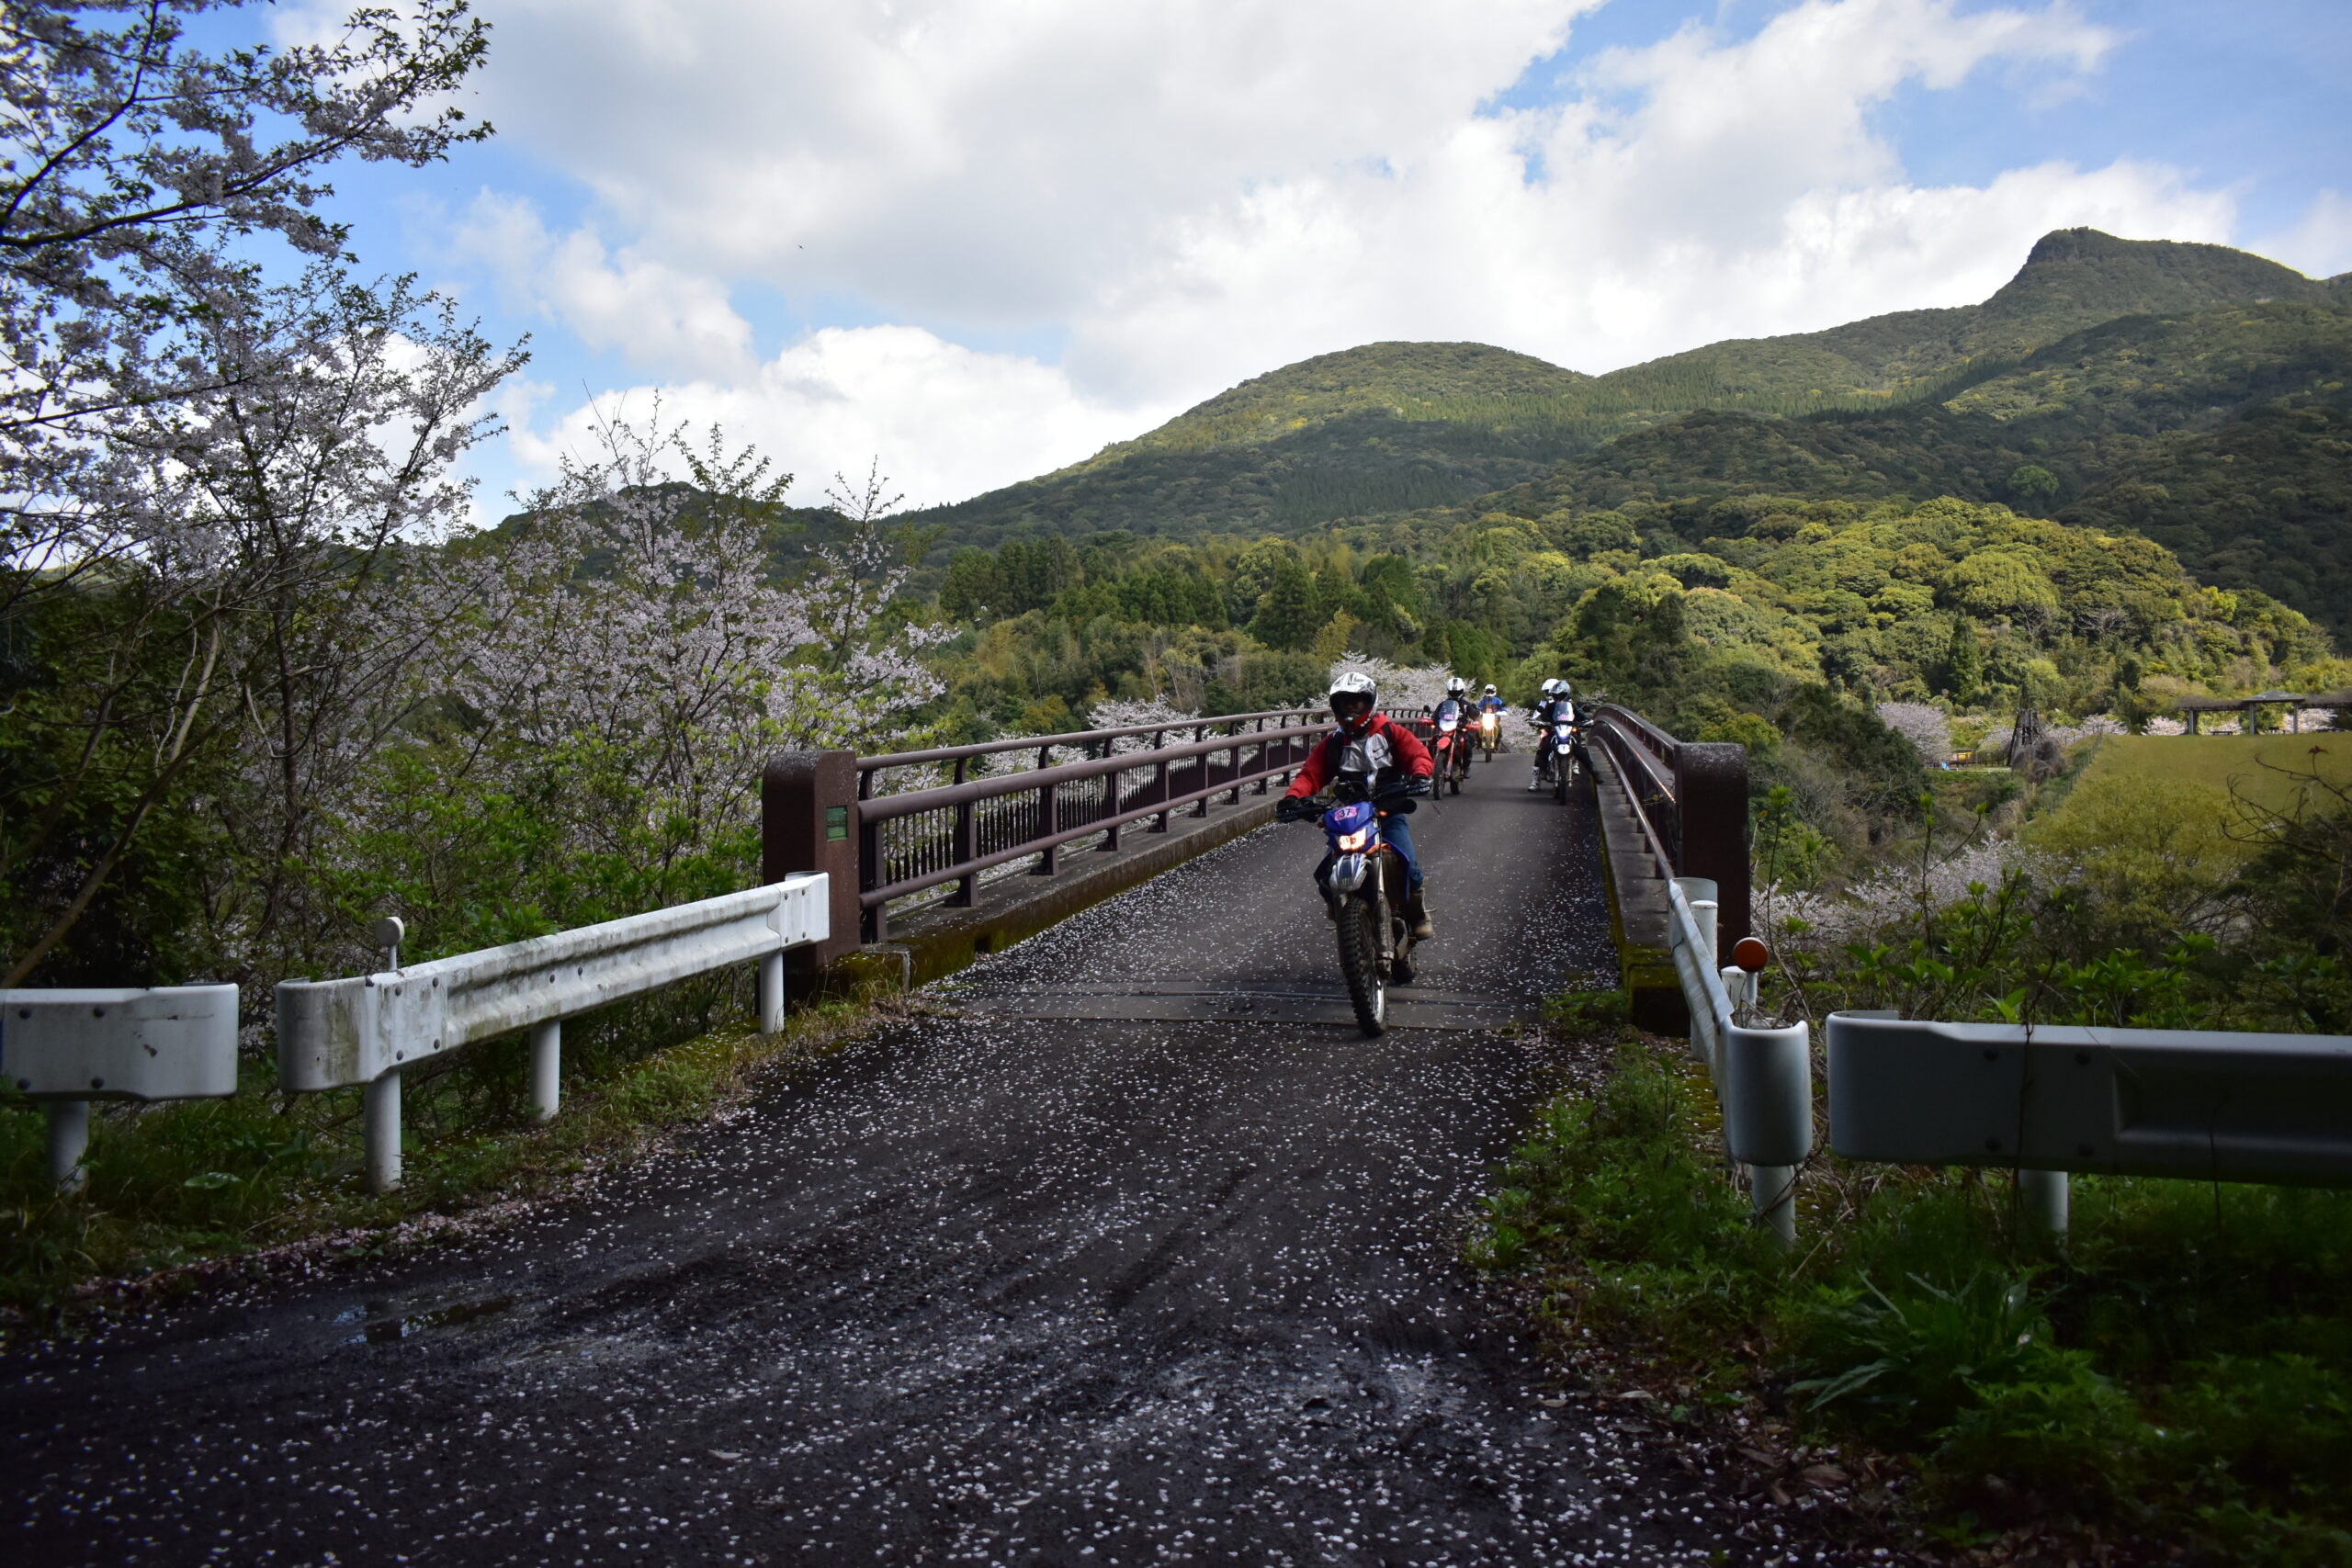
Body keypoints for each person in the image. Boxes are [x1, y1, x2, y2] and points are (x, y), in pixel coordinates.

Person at [1278, 671, 1436, 939]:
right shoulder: (1334, 743)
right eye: (1344, 703)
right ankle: (1339, 908)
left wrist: (1420, 775)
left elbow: (1417, 755)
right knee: (1325, 872)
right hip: (1350, 816)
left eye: (1356, 702)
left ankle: (1417, 912)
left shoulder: (1391, 732)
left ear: (1369, 702)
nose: (1350, 708)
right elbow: (1310, 775)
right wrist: (1292, 798)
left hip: (1388, 810)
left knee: (1407, 862)